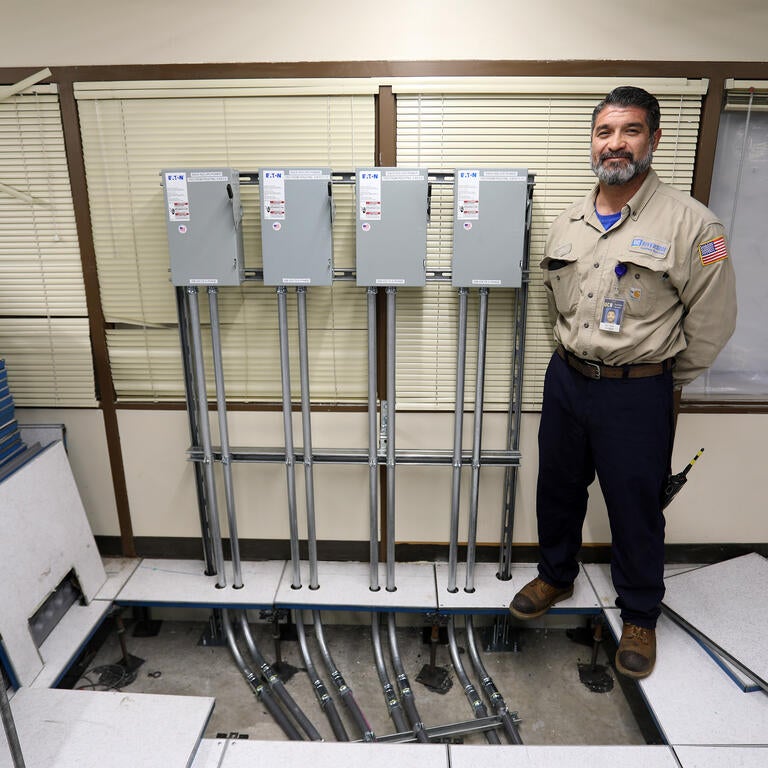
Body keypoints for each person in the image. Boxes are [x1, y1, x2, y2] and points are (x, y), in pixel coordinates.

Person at [509, 86, 737, 679]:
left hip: (638, 389)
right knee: (557, 488)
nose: (615, 144)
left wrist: (656, 377)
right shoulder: (568, 222)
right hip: (568, 378)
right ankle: (556, 575)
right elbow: (553, 303)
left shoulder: (693, 224)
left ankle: (639, 613)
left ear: (653, 139)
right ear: (593, 141)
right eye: (605, 132)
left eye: (630, 131)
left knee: (635, 504)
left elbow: (712, 323)